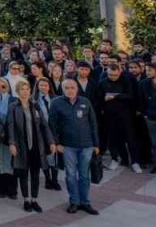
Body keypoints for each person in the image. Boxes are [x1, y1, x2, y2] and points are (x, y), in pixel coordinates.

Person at [48, 79, 99, 215]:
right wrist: (57, 143)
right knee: (70, 175)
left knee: (84, 175)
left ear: (77, 89)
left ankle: (85, 202)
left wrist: (96, 144)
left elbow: (93, 124)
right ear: (63, 89)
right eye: (67, 88)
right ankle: (74, 202)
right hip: (68, 146)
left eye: (72, 87)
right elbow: (52, 125)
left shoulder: (85, 102)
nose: (70, 90)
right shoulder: (56, 103)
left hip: (87, 146)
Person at [6, 79, 51, 213]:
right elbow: (11, 126)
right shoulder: (13, 106)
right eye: (22, 90)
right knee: (24, 173)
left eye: (27, 89)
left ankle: (34, 199)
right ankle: (26, 199)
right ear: (17, 92)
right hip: (21, 145)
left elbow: (44, 125)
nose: (25, 92)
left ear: (30, 90)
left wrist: (51, 141)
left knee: (35, 174)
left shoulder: (35, 105)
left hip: (37, 145)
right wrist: (12, 143)